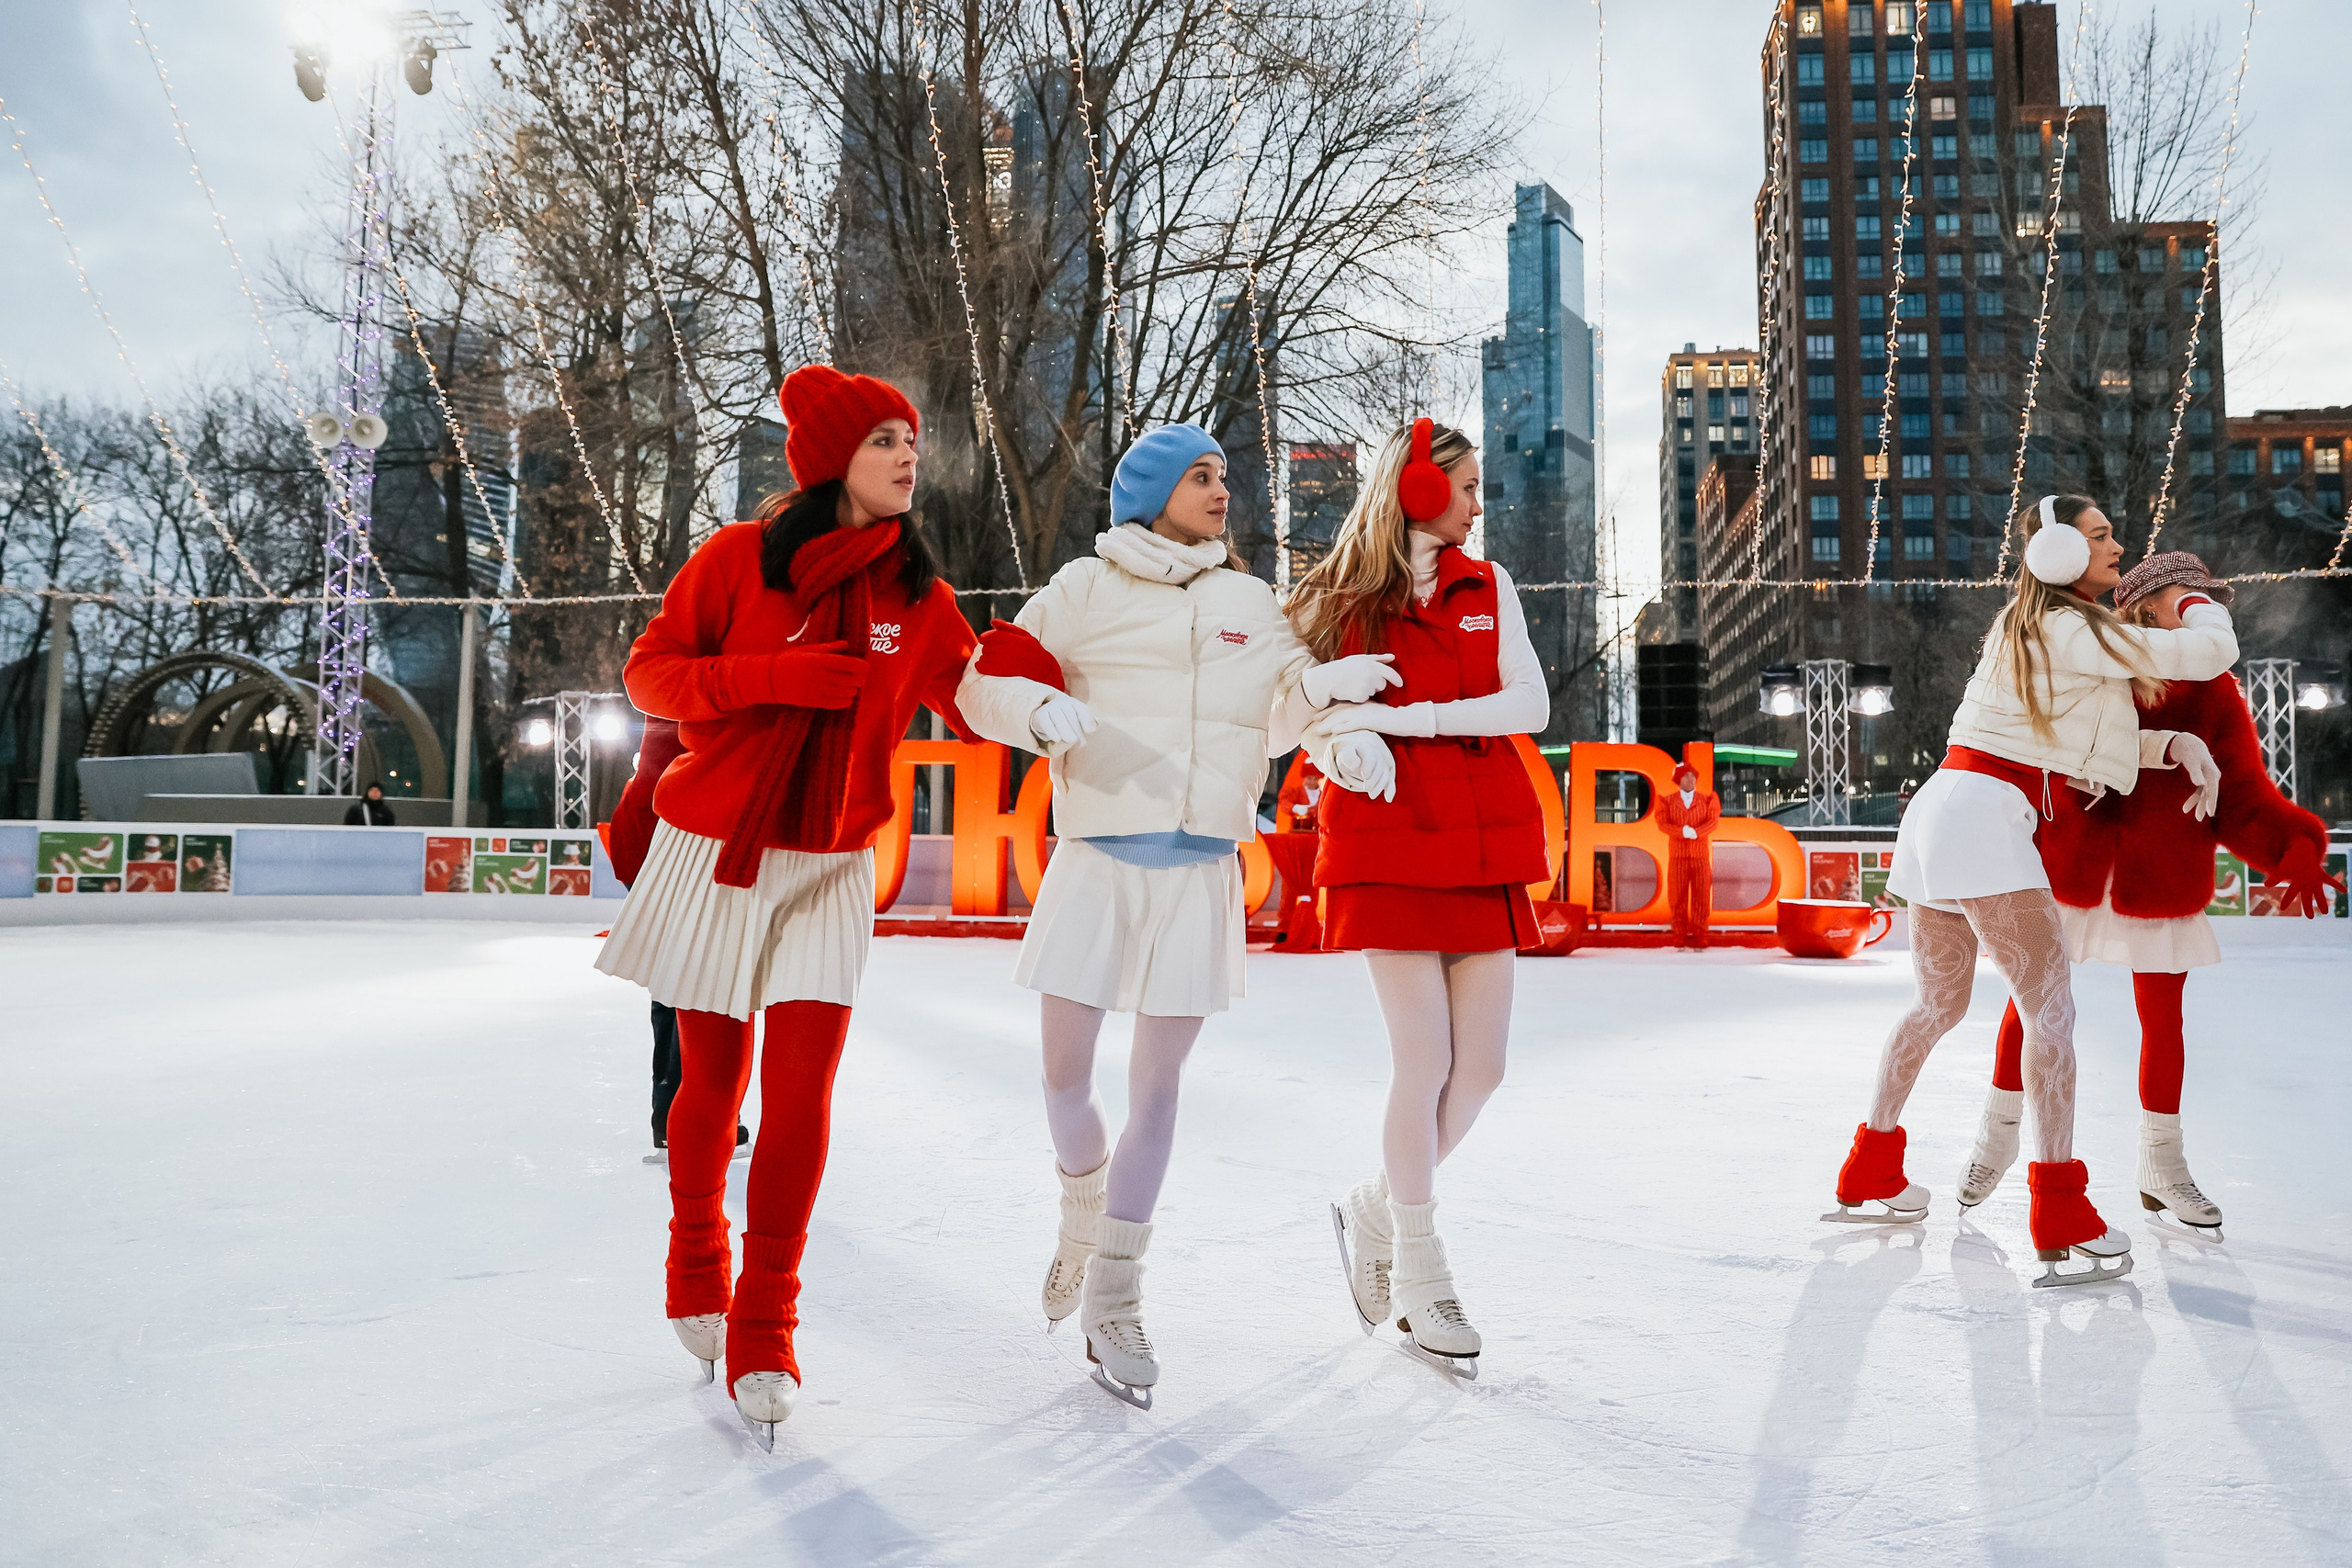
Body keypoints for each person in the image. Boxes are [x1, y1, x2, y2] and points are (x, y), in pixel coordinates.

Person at [955, 423, 1380, 1407]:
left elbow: (1282, 706)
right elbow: (984, 681)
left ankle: (1115, 1292)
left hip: (1201, 867)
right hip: (1097, 859)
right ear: (1150, 490)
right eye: (1201, 476)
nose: (1221, 490)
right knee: (1064, 1079)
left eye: (1226, 475)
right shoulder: (1081, 587)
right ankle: (1080, 1211)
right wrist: (1033, 712)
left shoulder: (1248, 599)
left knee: (1159, 1089)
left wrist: (1332, 717)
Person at [594, 365, 978, 1441]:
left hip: (832, 862)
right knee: (713, 1077)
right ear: (829, 464)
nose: (907, 456)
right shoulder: (733, 564)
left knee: (802, 1092)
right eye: (883, 442)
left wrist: (1064, 687)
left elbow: (981, 695)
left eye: (911, 438)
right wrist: (770, 676)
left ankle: (767, 1319)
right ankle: (695, 1252)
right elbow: (651, 678)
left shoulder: (920, 597)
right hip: (718, 847)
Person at [1828, 494, 2237, 1289]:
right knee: (2051, 1013)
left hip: (1941, 810)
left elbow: (2081, 734)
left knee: (1937, 1007)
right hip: (1986, 818)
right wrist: (2190, 598)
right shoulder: (2074, 625)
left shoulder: (2035, 623)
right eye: (2099, 536)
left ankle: (1868, 1168)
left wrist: (2176, 743)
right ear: (2056, 553)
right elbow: (2205, 655)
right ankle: (2060, 1210)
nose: (2117, 546)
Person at [1961, 552, 2342, 1235]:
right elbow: (2047, 745)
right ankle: (1997, 1134)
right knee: (2035, 1005)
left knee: (2165, 1021)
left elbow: (2244, 795)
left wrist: (2296, 846)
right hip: (2076, 864)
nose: (2201, 605)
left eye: (2208, 596)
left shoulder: (2217, 690)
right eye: (2187, 596)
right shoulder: (2091, 658)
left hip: (2159, 877)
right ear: (2144, 606)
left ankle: (2161, 1164)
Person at [1281, 417, 1550, 1374]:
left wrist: (1409, 718)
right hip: (1388, 836)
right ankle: (1421, 1273)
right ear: (1421, 490)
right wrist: (1328, 718)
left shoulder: (1490, 585)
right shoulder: (1334, 595)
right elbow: (1276, 712)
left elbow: (1530, 705)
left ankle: (1373, 1205)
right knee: (1424, 1060)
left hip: (1482, 832)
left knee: (1481, 1071)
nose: (1481, 503)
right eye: (1468, 485)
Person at [604, 716, 747, 1161]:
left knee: (677, 994)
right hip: (678, 864)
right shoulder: (683, 752)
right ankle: (685, 1119)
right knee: (695, 994)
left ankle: (676, 1118)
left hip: (660, 866)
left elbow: (625, 851)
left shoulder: (656, 764)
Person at [1658, 761, 1720, 950]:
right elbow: (1662, 824)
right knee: (1677, 897)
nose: (1691, 779)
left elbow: (1713, 821)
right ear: (1678, 780)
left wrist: (1697, 832)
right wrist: (1681, 832)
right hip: (1678, 857)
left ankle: (1700, 934)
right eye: (1686, 776)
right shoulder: (1667, 801)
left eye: (1693, 775)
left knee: (1701, 895)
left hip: (1700, 856)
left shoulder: (1707, 800)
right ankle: (1680, 934)